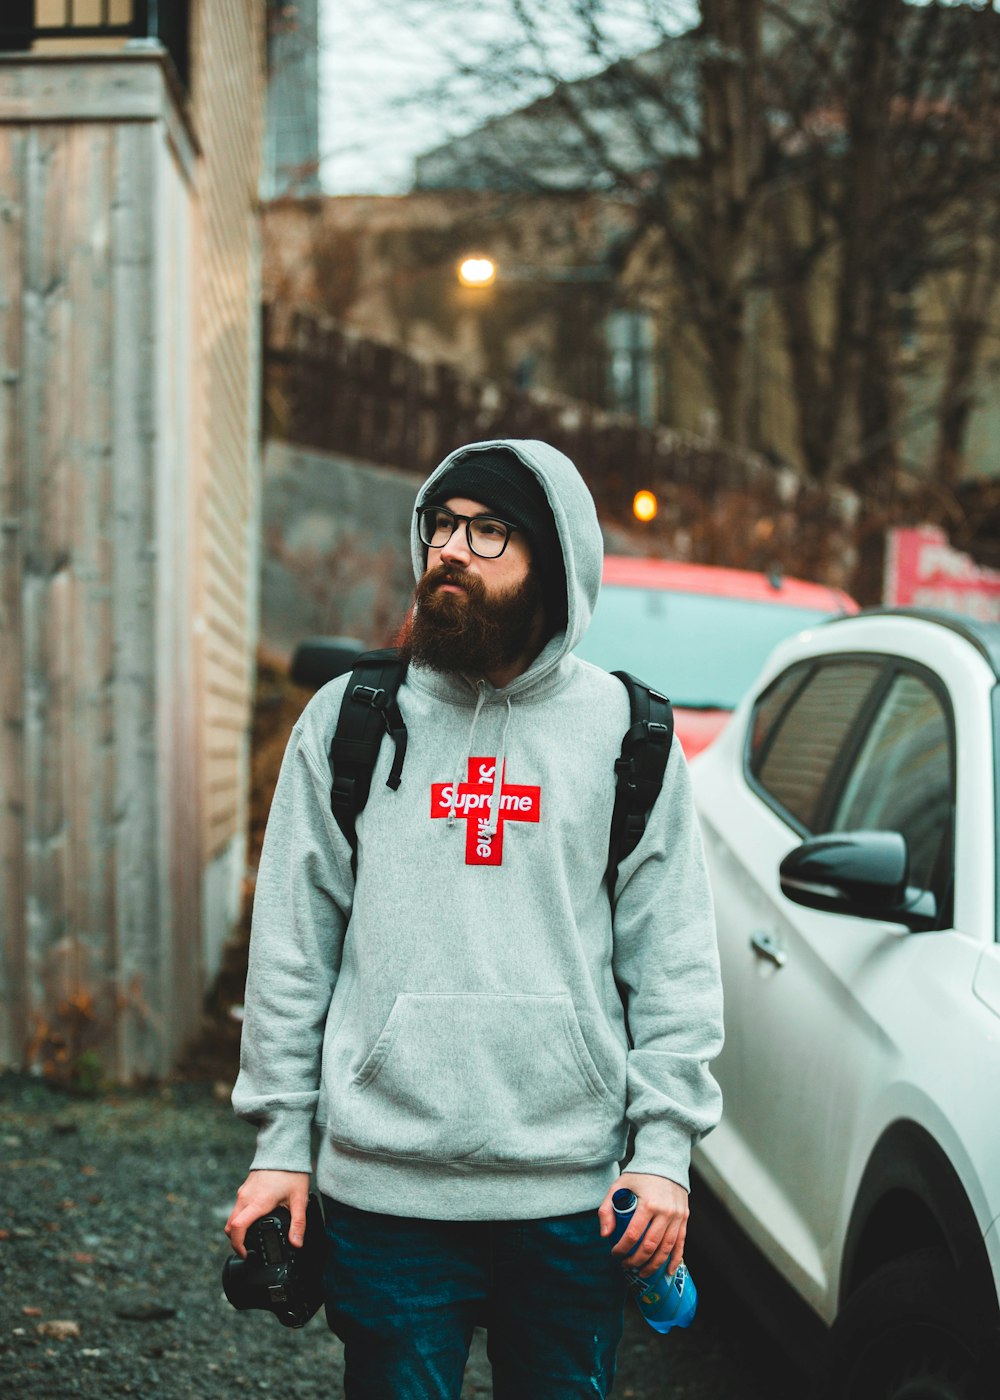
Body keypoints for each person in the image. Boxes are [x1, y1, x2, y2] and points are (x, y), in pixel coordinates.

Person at [225, 438, 724, 1399]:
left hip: (572, 1201)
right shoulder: (349, 722)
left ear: (556, 562)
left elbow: (671, 969)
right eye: (441, 527)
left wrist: (662, 1156)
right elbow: (293, 951)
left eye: (490, 532)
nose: (452, 550)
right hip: (386, 1194)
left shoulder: (633, 738)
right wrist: (282, 1144)